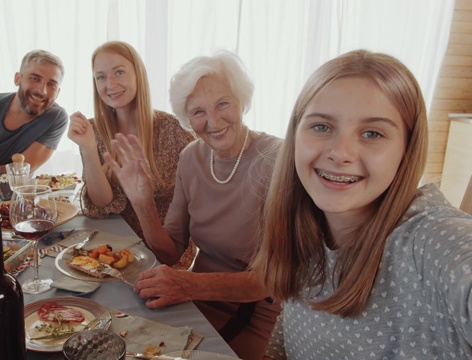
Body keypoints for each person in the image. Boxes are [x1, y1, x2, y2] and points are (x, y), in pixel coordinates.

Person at [253, 50, 472, 359]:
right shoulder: (308, 226)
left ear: (406, 151)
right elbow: (286, 338)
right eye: (321, 127)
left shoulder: (431, 242)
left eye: (372, 133)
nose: (340, 152)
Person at [103, 51, 282, 359]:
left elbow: (270, 280)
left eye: (223, 103)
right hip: (194, 297)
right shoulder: (191, 157)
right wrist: (143, 203)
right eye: (198, 112)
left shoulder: (276, 160)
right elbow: (170, 251)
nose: (213, 121)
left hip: (252, 311)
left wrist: (189, 286)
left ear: (241, 100)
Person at [67, 41, 196, 261]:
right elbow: (102, 203)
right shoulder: (93, 130)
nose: (110, 84)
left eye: (119, 72)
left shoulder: (173, 129)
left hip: (163, 252)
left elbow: (195, 201)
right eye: (101, 77)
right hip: (113, 247)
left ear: (138, 74)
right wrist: (88, 148)